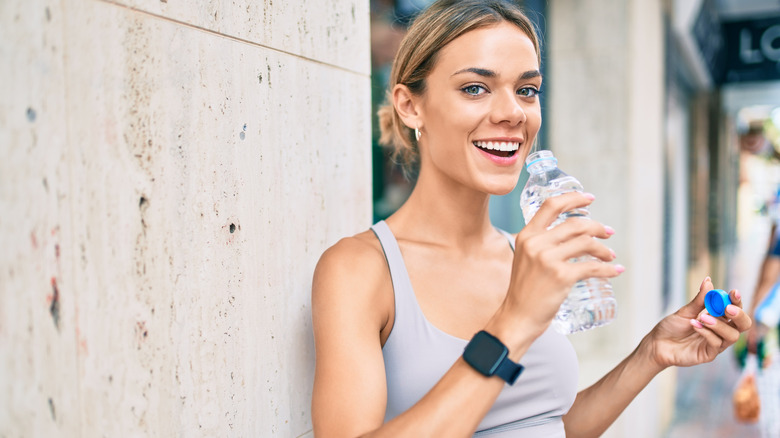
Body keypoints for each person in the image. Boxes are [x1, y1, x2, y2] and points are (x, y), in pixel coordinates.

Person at [310, 1, 752, 436]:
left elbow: (548, 426)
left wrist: (650, 355)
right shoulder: (360, 270)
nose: (513, 113)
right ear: (410, 105)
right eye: (475, 88)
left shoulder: (521, 254)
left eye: (527, 90)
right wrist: (512, 325)